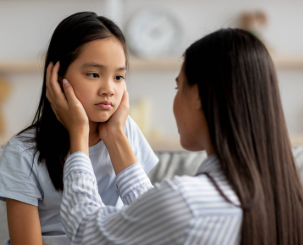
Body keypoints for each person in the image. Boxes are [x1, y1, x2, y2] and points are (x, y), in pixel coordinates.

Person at [47, 28, 303, 244]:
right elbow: (154, 218)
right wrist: (114, 135)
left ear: (198, 96)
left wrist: (78, 136)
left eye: (178, 87)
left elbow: (85, 232)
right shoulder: (283, 198)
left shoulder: (187, 201)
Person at [0, 12, 159, 245]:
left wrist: (116, 135)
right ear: (57, 77)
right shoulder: (24, 152)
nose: (109, 89)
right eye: (94, 74)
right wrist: (78, 131)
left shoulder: (125, 132)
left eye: (119, 77)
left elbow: (152, 223)